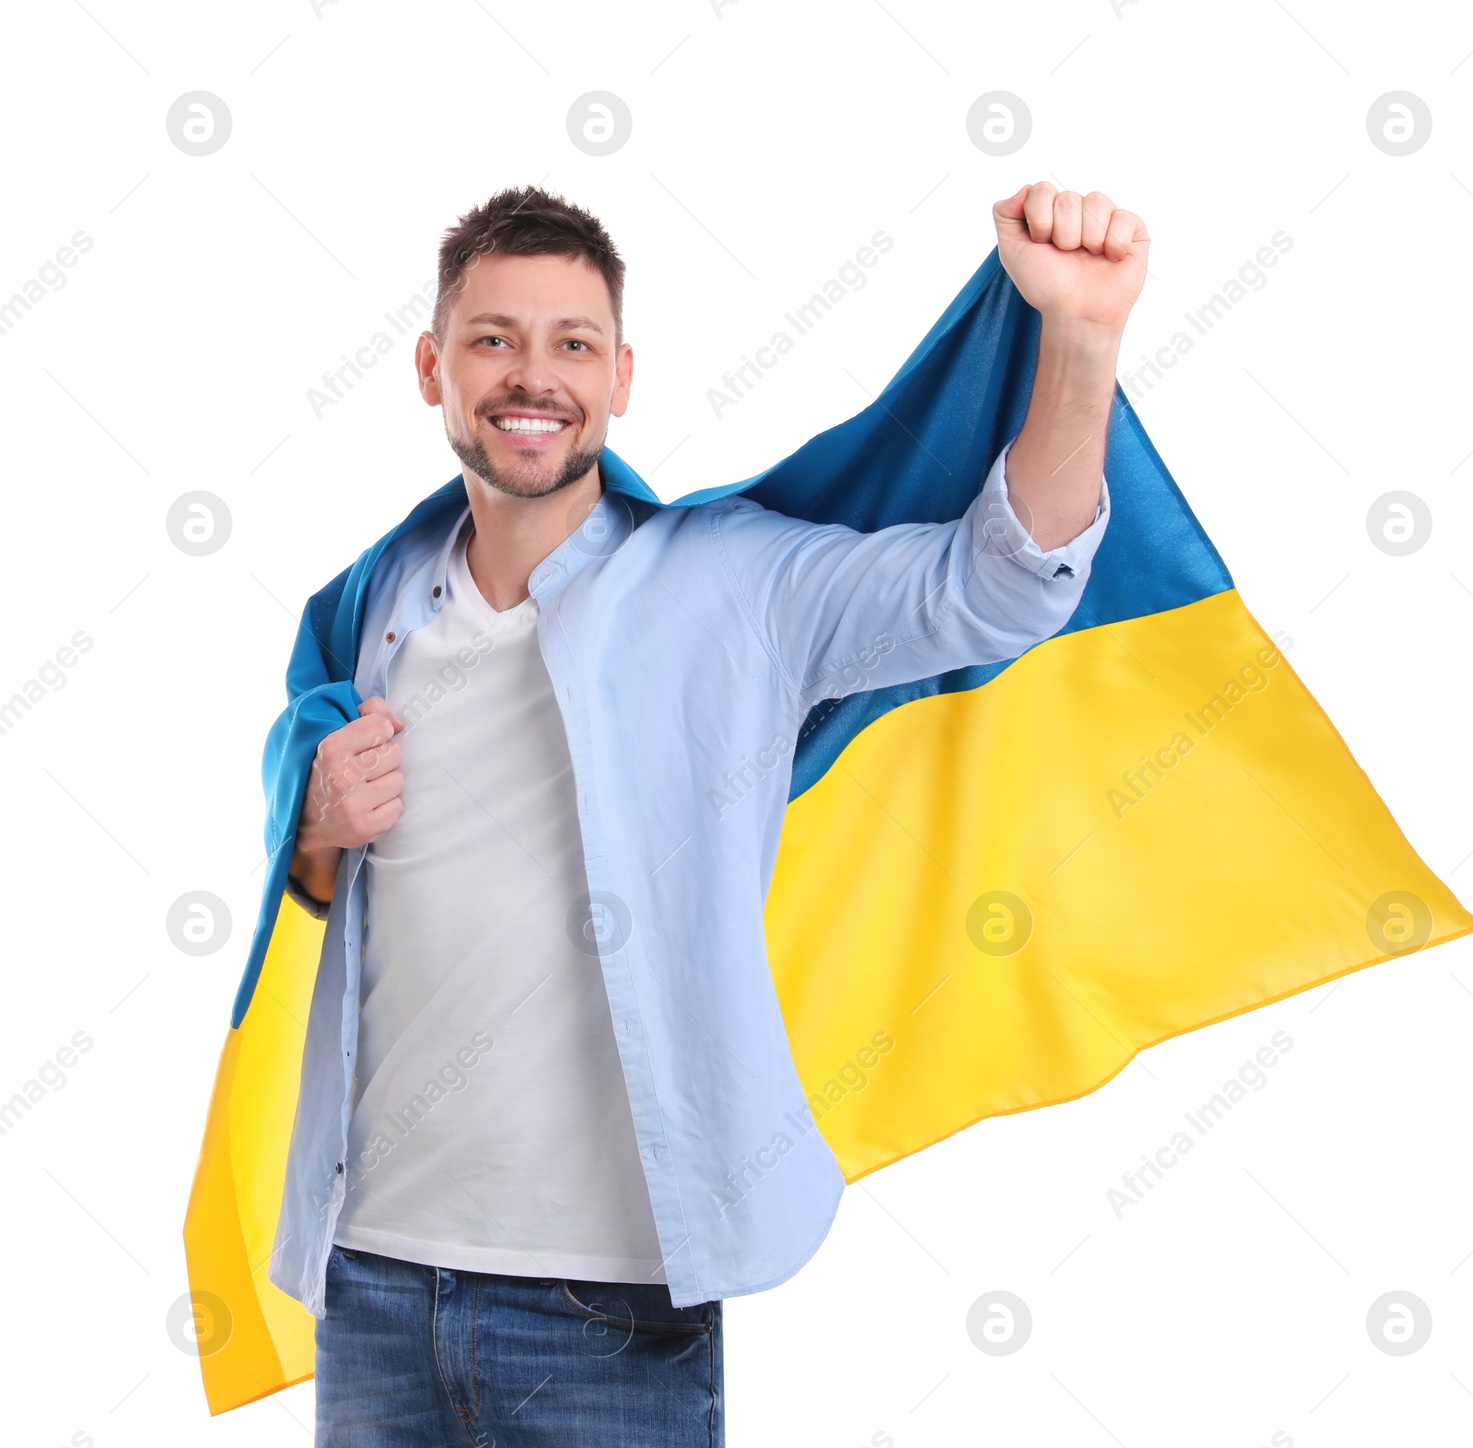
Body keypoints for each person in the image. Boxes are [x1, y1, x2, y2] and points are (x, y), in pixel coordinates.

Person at [282, 180, 1147, 1446]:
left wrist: (1078, 337)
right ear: (432, 366)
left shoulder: (736, 581)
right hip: (370, 1281)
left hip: (608, 1305)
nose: (536, 375)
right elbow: (306, 889)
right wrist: (310, 827)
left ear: (622, 375)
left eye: (574, 342)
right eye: (493, 338)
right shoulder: (368, 605)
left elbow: (1002, 586)